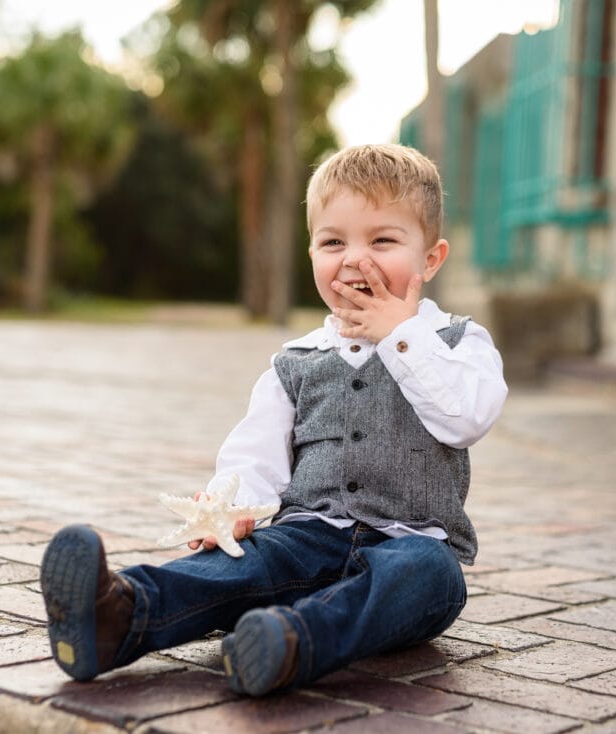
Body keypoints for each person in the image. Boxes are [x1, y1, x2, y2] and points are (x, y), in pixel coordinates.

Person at [39, 143, 508, 696]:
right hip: (306, 537)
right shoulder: (297, 361)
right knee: (242, 567)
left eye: (382, 240)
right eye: (333, 242)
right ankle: (117, 616)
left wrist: (399, 333)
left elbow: (466, 418)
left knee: (428, 575)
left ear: (430, 259)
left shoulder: (459, 343)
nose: (355, 259)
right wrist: (231, 506)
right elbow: (253, 455)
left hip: (411, 544)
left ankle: (288, 642)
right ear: (311, 254)